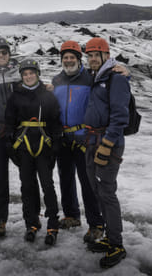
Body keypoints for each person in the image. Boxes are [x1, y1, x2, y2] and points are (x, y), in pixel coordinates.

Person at [0, 37, 39, 237]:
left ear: (9, 53)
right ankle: (0, 220)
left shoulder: (20, 73)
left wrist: (49, 87)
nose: (1, 56)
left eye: (4, 52)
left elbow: (35, 86)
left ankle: (32, 222)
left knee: (28, 177)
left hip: (19, 132)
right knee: (1, 178)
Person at [82, 37, 130, 269]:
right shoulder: (97, 76)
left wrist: (107, 144)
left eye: (95, 55)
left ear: (105, 55)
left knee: (107, 192)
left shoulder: (116, 78)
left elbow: (120, 116)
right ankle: (110, 238)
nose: (91, 59)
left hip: (107, 144)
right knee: (98, 190)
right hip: (92, 141)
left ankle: (117, 244)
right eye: (89, 55)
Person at [51, 41, 105, 242]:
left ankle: (96, 224)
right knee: (65, 179)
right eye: (65, 57)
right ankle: (72, 215)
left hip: (85, 138)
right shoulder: (57, 80)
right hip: (63, 137)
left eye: (72, 57)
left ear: (79, 58)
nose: (68, 60)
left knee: (88, 182)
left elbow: (111, 81)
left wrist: (124, 70)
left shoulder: (90, 78)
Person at [5, 58, 62, 245]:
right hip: (23, 145)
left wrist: (56, 143)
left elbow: (55, 120)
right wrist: (9, 143)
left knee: (47, 185)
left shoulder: (47, 95)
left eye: (32, 73)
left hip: (44, 145)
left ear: (37, 74)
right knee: (27, 186)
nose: (29, 76)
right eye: (25, 74)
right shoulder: (15, 96)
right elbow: (9, 121)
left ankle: (53, 223)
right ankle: (31, 223)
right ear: (21, 76)